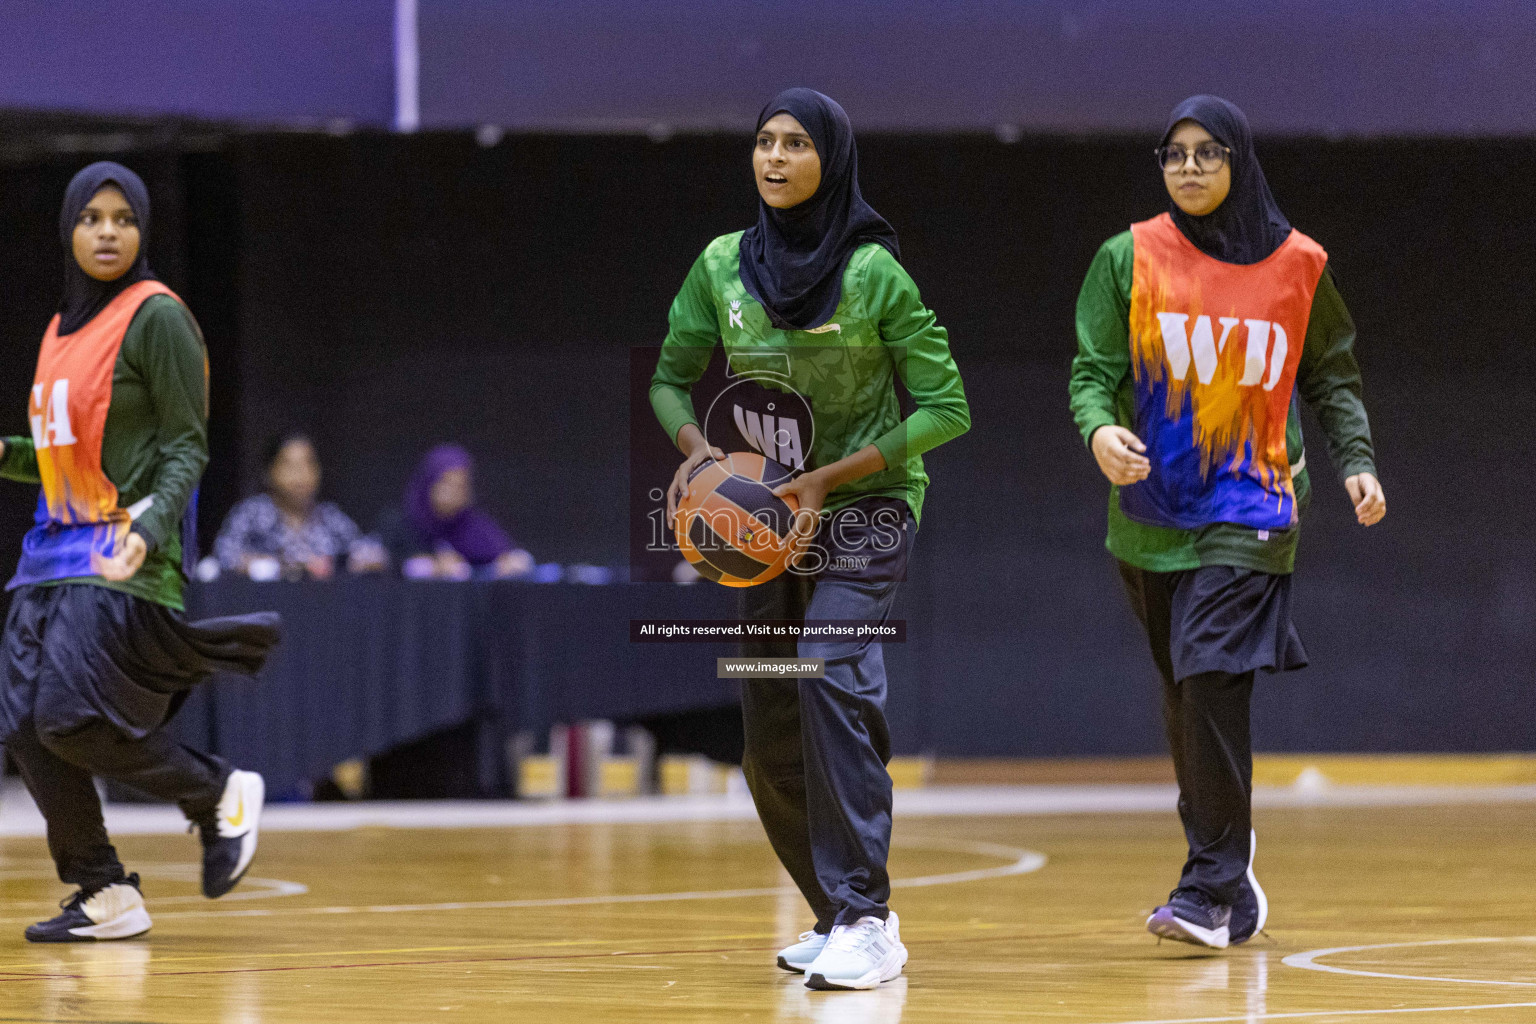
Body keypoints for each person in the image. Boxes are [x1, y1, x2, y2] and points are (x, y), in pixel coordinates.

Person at [650, 88, 969, 990]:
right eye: (763, 141)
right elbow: (670, 382)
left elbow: (948, 409)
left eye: (796, 143)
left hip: (867, 506)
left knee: (828, 666)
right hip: (764, 521)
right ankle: (832, 913)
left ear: (831, 159)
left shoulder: (875, 275)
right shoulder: (720, 266)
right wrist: (702, 455)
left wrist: (830, 477)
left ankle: (870, 916)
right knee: (767, 721)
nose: (775, 158)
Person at [1070, 96, 1384, 949]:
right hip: (1151, 514)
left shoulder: (1301, 265)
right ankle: (1227, 860)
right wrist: (1099, 430)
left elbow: (1332, 375)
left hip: (1255, 503)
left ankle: (1208, 891)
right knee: (1183, 698)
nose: (1190, 169)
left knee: (1210, 673)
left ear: (1240, 160)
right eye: (1174, 154)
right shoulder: (1125, 257)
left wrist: (1355, 458)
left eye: (1209, 153)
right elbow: (1092, 372)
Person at [0, 162, 280, 942]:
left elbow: (186, 451)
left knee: (66, 717)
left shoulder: (157, 317)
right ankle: (104, 893)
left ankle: (216, 792)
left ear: (142, 230)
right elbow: (62, 453)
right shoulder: (60, 330)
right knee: (23, 726)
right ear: (68, 229)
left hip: (121, 549)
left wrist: (147, 535)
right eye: (91, 217)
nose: (107, 230)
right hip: (50, 556)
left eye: (123, 217)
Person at [213, 431, 385, 579]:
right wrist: (273, 566)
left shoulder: (329, 516)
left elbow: (370, 552)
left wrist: (355, 562)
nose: (301, 475)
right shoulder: (251, 513)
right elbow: (223, 555)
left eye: (308, 464)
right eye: (290, 465)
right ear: (269, 472)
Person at [376, 444, 532, 579]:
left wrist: (512, 563)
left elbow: (506, 557)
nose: (453, 493)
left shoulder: (473, 525)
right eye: (446, 483)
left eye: (461, 486)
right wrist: (430, 567)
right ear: (428, 483)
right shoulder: (398, 523)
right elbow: (382, 565)